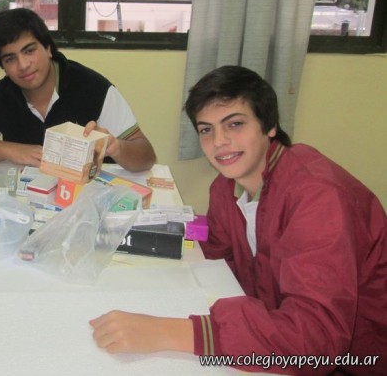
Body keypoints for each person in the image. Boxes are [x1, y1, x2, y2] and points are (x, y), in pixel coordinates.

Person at [90, 65, 387, 375]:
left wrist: (169, 332)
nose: (219, 141)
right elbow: (217, 258)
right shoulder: (226, 188)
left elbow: (317, 338)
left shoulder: (317, 198)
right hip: (278, 337)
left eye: (235, 124)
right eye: (206, 130)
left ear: (269, 125)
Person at [0, 8, 156, 172]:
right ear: (3, 67)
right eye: (10, 59)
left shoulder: (93, 88)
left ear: (48, 48)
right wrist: (10, 150)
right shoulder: (0, 96)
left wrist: (116, 147)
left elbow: (146, 156)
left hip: (90, 200)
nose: (23, 65)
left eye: (29, 51)